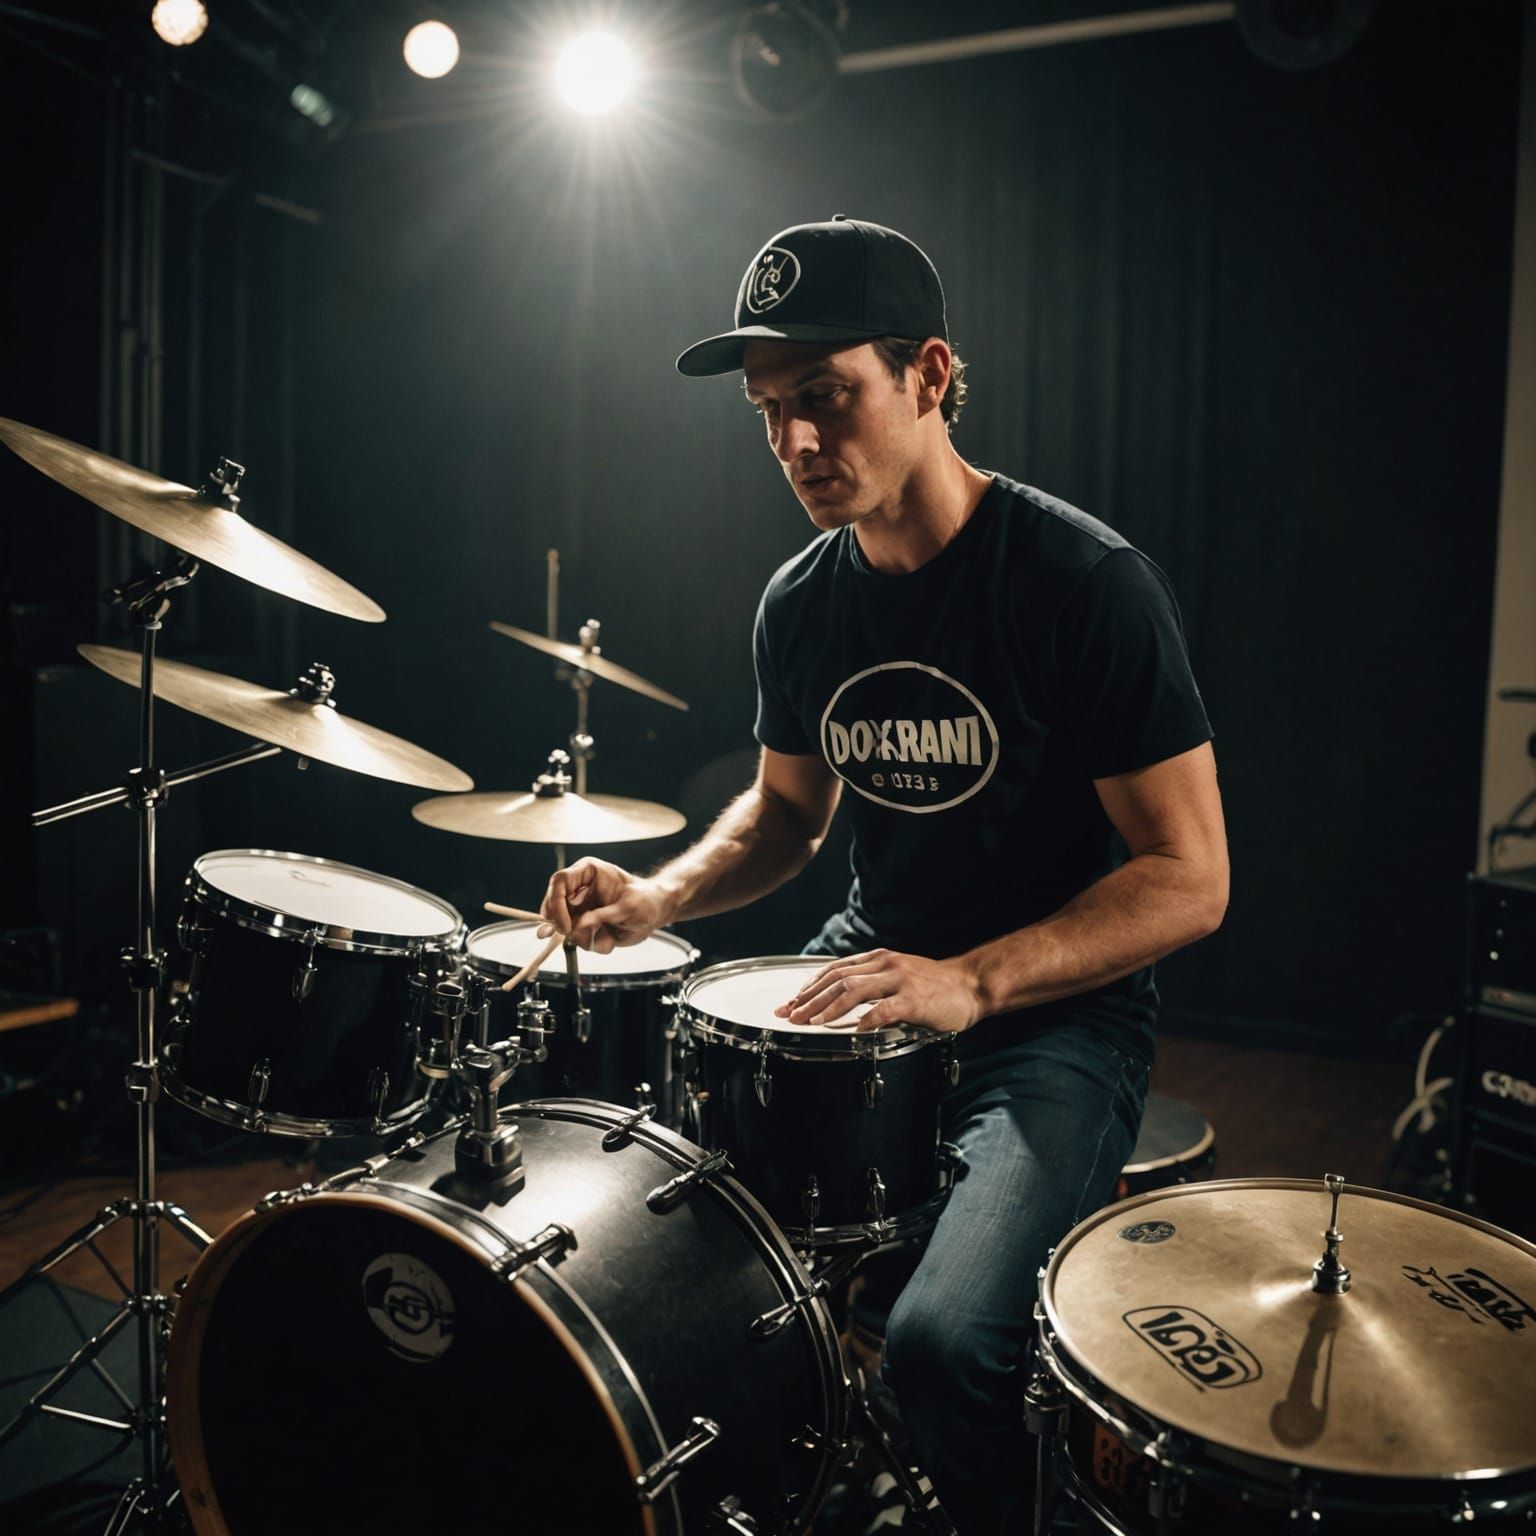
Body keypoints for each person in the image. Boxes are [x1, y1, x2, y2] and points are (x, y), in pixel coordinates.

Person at [539, 215, 1229, 1534]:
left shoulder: (1085, 584)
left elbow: (1190, 877)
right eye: (768, 411)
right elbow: (783, 818)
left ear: (926, 376)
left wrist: (977, 978)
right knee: (675, 1277)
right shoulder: (803, 603)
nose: (796, 441)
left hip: (1054, 1016)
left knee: (942, 1346)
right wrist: (662, 896)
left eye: (827, 397)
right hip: (872, 971)